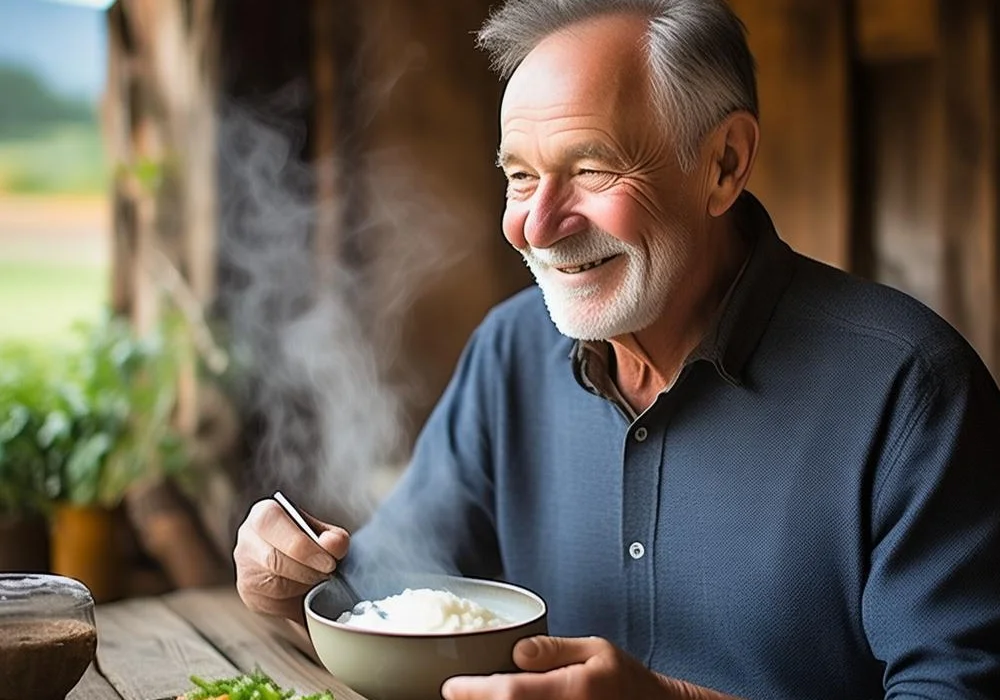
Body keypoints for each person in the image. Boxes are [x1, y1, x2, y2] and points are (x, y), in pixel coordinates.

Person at [234, 0, 1000, 698]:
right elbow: (390, 597)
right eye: (521, 177)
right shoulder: (509, 353)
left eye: (592, 170)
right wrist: (297, 584)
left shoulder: (911, 391)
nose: (537, 227)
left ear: (725, 163)